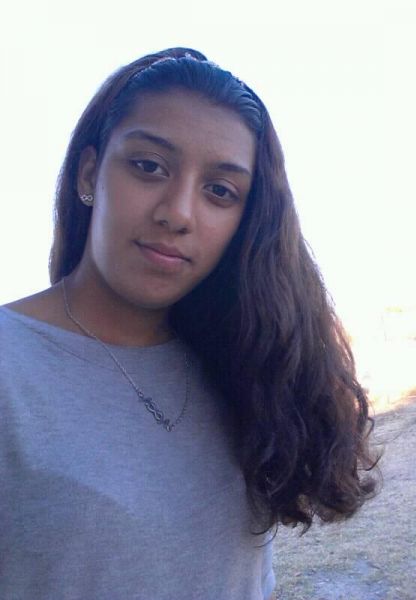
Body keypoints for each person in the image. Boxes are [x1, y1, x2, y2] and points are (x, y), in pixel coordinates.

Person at [0, 48, 377, 600]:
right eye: (149, 166)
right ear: (89, 173)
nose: (178, 213)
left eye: (220, 191)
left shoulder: (241, 364)